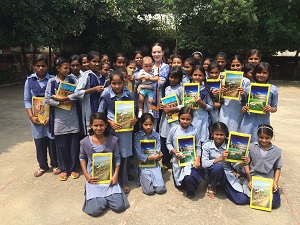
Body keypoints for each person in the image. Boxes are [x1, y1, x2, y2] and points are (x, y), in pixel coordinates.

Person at [80, 112, 129, 217]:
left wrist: (116, 175)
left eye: (101, 125)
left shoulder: (113, 140)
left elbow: (117, 158)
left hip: (109, 177)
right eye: (96, 125)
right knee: (95, 211)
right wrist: (86, 175)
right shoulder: (85, 142)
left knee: (119, 206)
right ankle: (99, 198)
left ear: (106, 125)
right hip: (94, 178)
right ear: (91, 126)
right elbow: (82, 157)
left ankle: (105, 198)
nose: (99, 128)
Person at [98, 69, 138, 194]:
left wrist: (134, 120)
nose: (117, 86)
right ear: (110, 83)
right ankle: (110, 178)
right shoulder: (106, 96)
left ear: (124, 82)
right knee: (113, 155)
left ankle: (124, 181)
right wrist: (109, 122)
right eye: (114, 83)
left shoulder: (129, 95)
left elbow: (134, 112)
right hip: (111, 131)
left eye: (119, 83)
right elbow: (100, 114)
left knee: (125, 156)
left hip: (126, 132)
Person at [24, 55, 60, 177]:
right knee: (39, 142)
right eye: (38, 66)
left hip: (50, 117)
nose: (40, 68)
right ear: (34, 66)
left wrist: (51, 116)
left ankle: (55, 164)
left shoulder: (53, 80)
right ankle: (43, 166)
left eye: (43, 66)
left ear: (47, 66)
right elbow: (27, 100)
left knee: (52, 141)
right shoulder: (29, 81)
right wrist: (31, 116)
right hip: (36, 117)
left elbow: (55, 100)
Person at [45, 57, 80, 181]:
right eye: (65, 68)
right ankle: (64, 169)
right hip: (59, 119)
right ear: (57, 68)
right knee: (62, 145)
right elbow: (47, 99)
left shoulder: (72, 80)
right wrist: (60, 104)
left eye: (68, 68)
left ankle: (74, 168)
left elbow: (77, 95)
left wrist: (61, 99)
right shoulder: (52, 82)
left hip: (73, 117)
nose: (67, 70)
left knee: (73, 145)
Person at [202, 122, 249, 204]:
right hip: (211, 173)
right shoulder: (207, 145)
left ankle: (225, 186)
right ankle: (212, 186)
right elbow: (204, 164)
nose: (219, 137)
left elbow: (235, 165)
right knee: (217, 167)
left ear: (225, 135)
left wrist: (243, 163)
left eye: (221, 134)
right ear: (212, 134)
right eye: (216, 134)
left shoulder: (230, 146)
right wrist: (220, 158)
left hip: (227, 174)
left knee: (242, 200)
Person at [62, 51, 105, 135]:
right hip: (89, 109)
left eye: (98, 61)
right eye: (94, 61)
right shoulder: (86, 76)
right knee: (90, 132)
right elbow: (75, 93)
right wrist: (92, 89)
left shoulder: (102, 76)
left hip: (100, 109)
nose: (97, 64)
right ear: (88, 62)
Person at [166, 107, 204, 199]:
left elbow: (198, 146)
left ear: (192, 119)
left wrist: (198, 159)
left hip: (190, 161)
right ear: (179, 118)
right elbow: (168, 143)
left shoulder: (194, 130)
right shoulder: (174, 130)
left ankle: (192, 189)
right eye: (183, 119)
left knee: (189, 178)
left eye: (188, 119)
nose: (185, 121)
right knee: (180, 186)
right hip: (178, 161)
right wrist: (174, 151)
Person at [244, 124, 282, 208]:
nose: (264, 140)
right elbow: (245, 164)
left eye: (267, 138)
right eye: (261, 137)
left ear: (271, 137)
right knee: (246, 199)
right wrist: (249, 179)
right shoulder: (251, 147)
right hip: (253, 178)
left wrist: (275, 182)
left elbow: (278, 168)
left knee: (274, 204)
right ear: (257, 136)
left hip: (268, 180)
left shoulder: (277, 151)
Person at [240, 62, 278, 142]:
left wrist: (270, 108)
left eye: (264, 73)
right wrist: (244, 108)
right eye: (259, 72)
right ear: (255, 73)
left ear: (269, 74)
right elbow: (244, 104)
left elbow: (275, 108)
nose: (261, 75)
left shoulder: (273, 89)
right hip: (248, 122)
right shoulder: (248, 88)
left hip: (263, 122)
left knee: (261, 143)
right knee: (246, 144)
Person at [134, 113, 166, 195]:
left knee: (160, 189)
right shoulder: (137, 136)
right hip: (143, 167)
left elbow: (158, 151)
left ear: (153, 124)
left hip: (154, 165)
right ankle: (142, 177)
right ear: (141, 124)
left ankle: (155, 178)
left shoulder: (156, 136)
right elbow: (139, 155)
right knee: (149, 191)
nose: (148, 127)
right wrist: (154, 157)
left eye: (150, 124)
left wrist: (158, 157)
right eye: (145, 124)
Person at [159, 67, 183, 173]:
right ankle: (165, 163)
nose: (172, 80)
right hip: (166, 118)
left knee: (174, 139)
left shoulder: (182, 89)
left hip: (176, 118)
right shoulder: (167, 88)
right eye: (171, 77)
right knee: (164, 139)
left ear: (180, 78)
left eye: (175, 78)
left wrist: (172, 109)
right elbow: (164, 102)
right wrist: (162, 106)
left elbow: (185, 104)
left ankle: (175, 161)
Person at [219, 55, 250, 132]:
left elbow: (247, 101)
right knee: (223, 130)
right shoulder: (223, 77)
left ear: (242, 65)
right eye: (233, 65)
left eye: (238, 65)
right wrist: (221, 92)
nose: (235, 68)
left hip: (238, 110)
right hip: (225, 109)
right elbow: (219, 98)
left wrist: (243, 94)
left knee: (235, 130)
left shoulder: (246, 81)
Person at [190, 65, 213, 142]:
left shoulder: (206, 89)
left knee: (201, 140)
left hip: (202, 119)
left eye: (200, 75)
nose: (197, 77)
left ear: (203, 77)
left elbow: (211, 107)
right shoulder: (186, 88)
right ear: (191, 76)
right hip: (189, 118)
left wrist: (201, 103)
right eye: (195, 75)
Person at [151, 43, 170, 121]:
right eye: (154, 52)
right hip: (147, 97)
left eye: (159, 52)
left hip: (159, 98)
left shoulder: (165, 67)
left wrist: (143, 85)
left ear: (163, 52)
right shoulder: (149, 66)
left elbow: (160, 83)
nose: (156, 54)